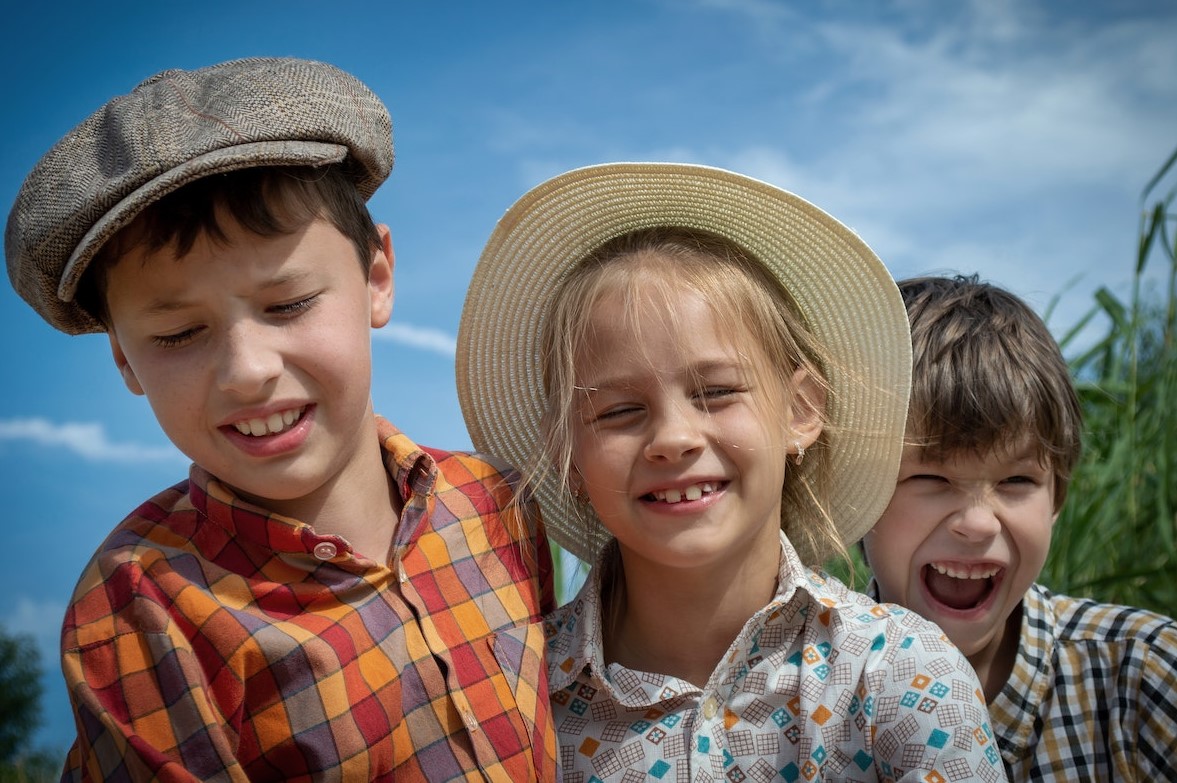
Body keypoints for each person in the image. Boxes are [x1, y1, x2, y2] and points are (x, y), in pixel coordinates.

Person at [5, 57, 557, 781]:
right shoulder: (142, 610)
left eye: (288, 303)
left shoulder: (499, 504)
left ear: (377, 279)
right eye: (176, 334)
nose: (246, 369)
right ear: (125, 362)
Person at [455, 163, 1008, 782]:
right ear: (568, 455)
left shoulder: (901, 676)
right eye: (619, 411)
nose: (673, 438)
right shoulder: (512, 697)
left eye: (716, 392)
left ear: (800, 412)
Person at [861, 274, 1177, 780]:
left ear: (1058, 496)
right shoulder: (805, 706)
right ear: (857, 494)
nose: (978, 522)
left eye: (1016, 479)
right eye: (930, 477)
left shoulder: (1145, 678)